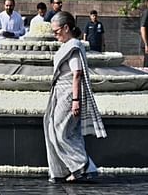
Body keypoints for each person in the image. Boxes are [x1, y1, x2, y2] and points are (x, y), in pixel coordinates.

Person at [44, 11, 107, 183]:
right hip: (61, 92)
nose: (55, 35)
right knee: (60, 130)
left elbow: (77, 73)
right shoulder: (69, 45)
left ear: (66, 28)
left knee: (61, 129)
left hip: (68, 93)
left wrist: (75, 100)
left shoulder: (73, 44)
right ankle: (69, 169)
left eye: (56, 31)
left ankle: (83, 166)